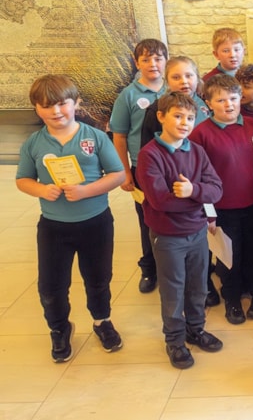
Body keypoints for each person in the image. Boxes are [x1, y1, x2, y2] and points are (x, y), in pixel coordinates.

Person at [16, 74, 126, 362]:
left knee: (98, 278)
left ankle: (102, 321)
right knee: (51, 286)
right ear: (36, 109)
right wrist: (41, 189)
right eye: (46, 106)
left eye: (62, 104)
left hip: (96, 223)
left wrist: (87, 190)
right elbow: (23, 179)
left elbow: (118, 174)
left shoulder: (95, 138)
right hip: (53, 227)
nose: (55, 112)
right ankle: (59, 328)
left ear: (76, 103)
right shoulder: (34, 143)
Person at [137, 92, 224, 369]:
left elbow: (216, 189)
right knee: (173, 290)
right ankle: (174, 340)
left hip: (197, 232)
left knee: (198, 285)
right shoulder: (149, 155)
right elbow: (159, 200)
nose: (185, 123)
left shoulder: (196, 151)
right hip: (168, 237)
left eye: (190, 117)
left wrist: (192, 190)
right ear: (161, 117)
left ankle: (195, 328)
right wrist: (198, 200)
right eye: (177, 116)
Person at [189, 74, 253, 324]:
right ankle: (232, 298)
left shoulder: (252, 126)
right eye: (221, 100)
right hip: (223, 208)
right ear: (209, 103)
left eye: (233, 98)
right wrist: (208, 213)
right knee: (227, 257)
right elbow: (197, 177)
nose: (229, 104)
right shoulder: (200, 134)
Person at [109, 38, 168, 294]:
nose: (152, 64)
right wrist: (124, 171)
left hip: (176, 166)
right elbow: (119, 135)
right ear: (137, 63)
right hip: (143, 169)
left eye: (157, 58)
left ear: (166, 60)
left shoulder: (173, 89)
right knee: (147, 220)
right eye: (146, 59)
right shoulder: (129, 95)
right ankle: (149, 267)